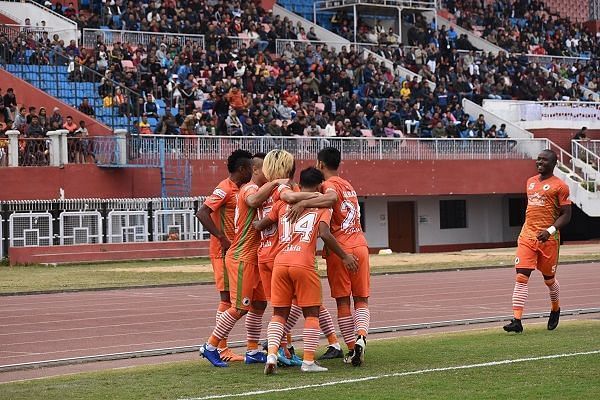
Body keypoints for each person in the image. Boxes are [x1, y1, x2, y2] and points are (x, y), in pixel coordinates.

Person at [257, 167, 358, 374]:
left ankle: (272, 356)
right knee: (311, 312)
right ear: (320, 184)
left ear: (299, 184)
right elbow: (324, 233)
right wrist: (345, 256)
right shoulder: (323, 208)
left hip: (280, 262)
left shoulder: (282, 203)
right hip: (303, 262)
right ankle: (309, 361)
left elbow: (261, 225)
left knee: (279, 314)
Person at [199, 153, 287, 368]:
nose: (269, 173)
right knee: (238, 306)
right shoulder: (249, 189)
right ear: (255, 170)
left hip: (254, 256)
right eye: (265, 169)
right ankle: (211, 346)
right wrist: (277, 182)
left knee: (259, 304)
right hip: (241, 255)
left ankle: (252, 350)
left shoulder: (252, 189)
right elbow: (252, 201)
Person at [286, 147, 371, 366]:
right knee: (361, 299)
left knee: (343, 302)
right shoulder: (348, 185)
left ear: (321, 164)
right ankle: (362, 335)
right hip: (360, 244)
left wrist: (304, 202)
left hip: (340, 249)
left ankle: (352, 348)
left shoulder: (328, 185)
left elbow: (330, 198)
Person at [503, 149, 571, 333]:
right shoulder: (530, 182)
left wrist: (549, 231)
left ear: (553, 163)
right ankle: (517, 321)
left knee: (549, 280)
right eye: (538, 159)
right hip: (527, 236)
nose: (539, 162)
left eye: (544, 160)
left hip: (549, 241)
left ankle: (555, 309)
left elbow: (566, 215)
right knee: (521, 276)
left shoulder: (560, 186)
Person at [196, 149, 253, 363]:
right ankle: (221, 348)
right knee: (228, 299)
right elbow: (202, 212)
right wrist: (221, 237)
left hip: (237, 251)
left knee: (236, 300)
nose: (253, 172)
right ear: (242, 169)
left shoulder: (243, 189)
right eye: (251, 168)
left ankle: (228, 347)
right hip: (224, 252)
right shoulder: (224, 189)